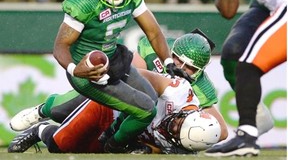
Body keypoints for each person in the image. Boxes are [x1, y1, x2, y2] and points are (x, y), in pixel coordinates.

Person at [48, 0, 183, 153]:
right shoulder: (84, 1)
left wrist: (168, 61)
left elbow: (153, 31)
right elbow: (60, 46)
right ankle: (113, 147)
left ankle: (110, 134)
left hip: (113, 58)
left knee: (150, 97)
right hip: (88, 70)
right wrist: (75, 70)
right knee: (145, 109)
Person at [8, 68, 221, 154]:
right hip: (115, 104)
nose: (171, 126)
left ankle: (40, 131)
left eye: (175, 132)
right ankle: (41, 111)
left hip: (119, 132)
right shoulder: (180, 94)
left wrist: (145, 149)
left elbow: (156, 148)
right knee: (60, 110)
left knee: (59, 145)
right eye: (178, 122)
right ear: (190, 113)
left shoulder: (182, 149)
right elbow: (143, 78)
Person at [205, 0, 287, 157]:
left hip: (282, 4)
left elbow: (227, 9)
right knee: (236, 52)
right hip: (267, 4)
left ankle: (247, 134)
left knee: (248, 65)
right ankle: (253, 123)